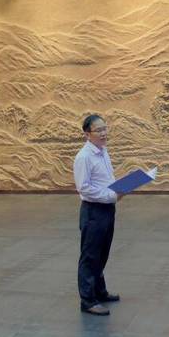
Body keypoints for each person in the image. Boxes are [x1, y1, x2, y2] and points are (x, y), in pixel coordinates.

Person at [73, 114, 122, 316]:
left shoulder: (103, 151)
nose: (103, 133)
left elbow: (105, 179)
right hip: (93, 211)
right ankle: (88, 300)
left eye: (105, 128)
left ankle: (99, 291)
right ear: (87, 134)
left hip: (107, 208)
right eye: (98, 130)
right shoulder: (84, 157)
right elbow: (84, 188)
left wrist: (119, 189)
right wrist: (111, 195)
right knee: (90, 256)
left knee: (102, 253)